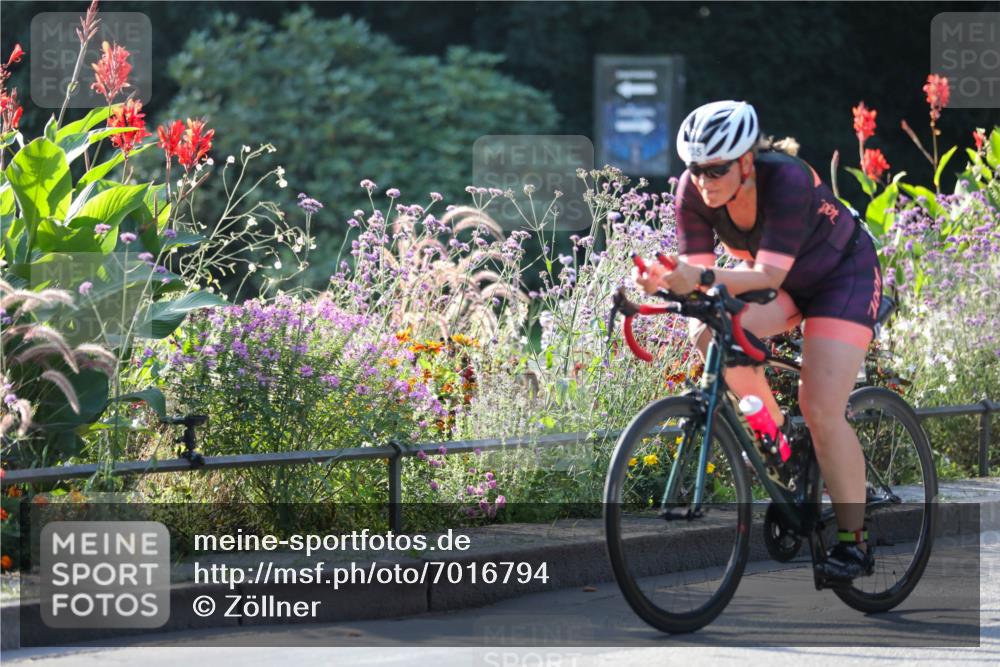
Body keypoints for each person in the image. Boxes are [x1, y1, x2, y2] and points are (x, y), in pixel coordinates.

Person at [634, 100, 882, 583]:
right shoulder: (692, 192)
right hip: (781, 284)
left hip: (840, 276)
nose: (704, 180)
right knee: (708, 330)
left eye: (717, 169)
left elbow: (767, 270)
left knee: (821, 408)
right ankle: (778, 438)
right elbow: (703, 281)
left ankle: (855, 542)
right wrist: (665, 281)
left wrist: (695, 275)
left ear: (746, 161)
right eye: (695, 169)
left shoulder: (786, 179)